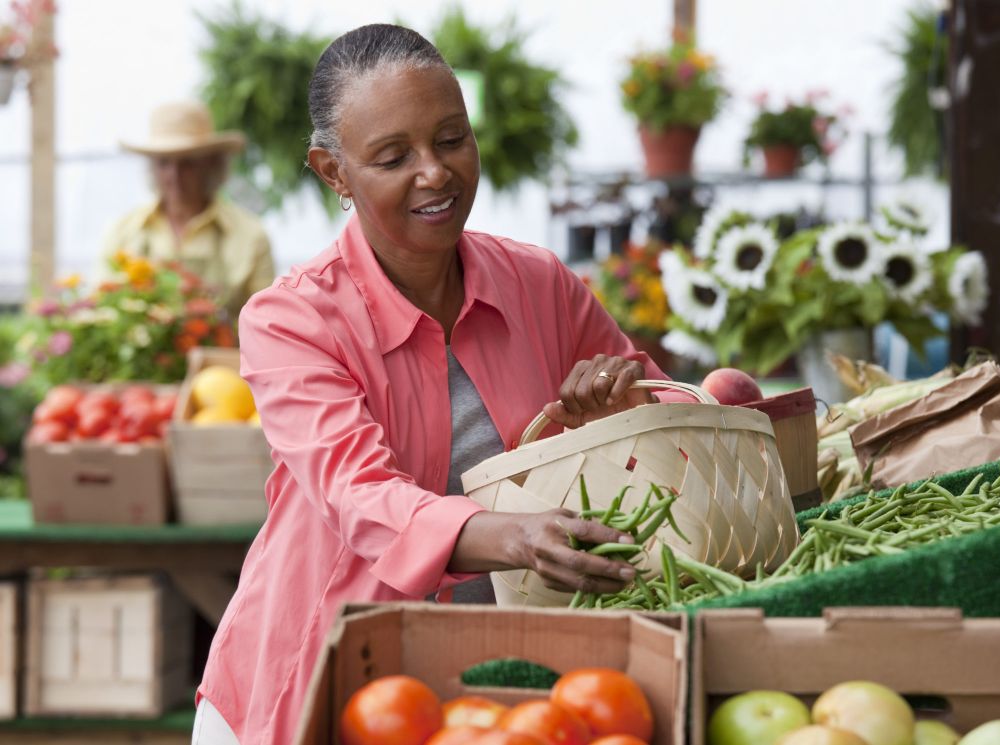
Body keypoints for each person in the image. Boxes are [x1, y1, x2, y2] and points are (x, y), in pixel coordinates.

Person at [193, 24, 689, 745]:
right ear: (333, 172)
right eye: (393, 156)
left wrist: (623, 410)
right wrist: (514, 535)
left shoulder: (539, 284)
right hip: (319, 683)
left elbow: (665, 418)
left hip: (502, 695)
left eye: (452, 139)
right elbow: (358, 494)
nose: (435, 172)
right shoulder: (292, 319)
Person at [100, 100, 276, 321]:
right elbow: (102, 308)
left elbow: (267, 321)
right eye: (164, 163)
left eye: (187, 164)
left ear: (211, 164)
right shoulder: (123, 232)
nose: (174, 176)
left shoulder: (250, 235)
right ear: (152, 168)